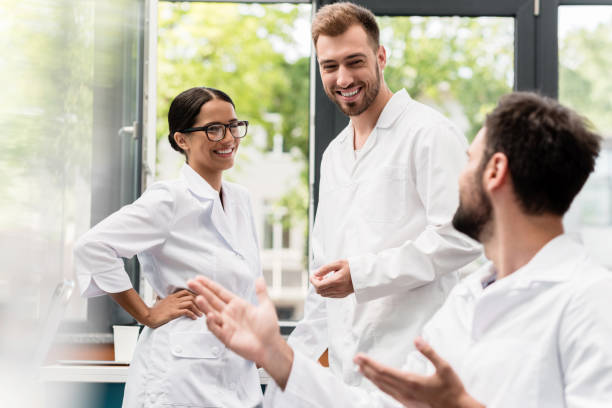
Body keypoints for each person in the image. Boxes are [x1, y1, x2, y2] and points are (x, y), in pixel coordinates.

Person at [187, 92, 612, 407]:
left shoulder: (593, 301)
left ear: (495, 171)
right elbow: (386, 405)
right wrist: (278, 357)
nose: (460, 173)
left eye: (468, 159)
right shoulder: (467, 301)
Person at [276, 2, 481, 401]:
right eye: (329, 66)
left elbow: (463, 238)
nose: (343, 77)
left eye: (355, 61)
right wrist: (286, 363)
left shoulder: (429, 134)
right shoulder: (334, 154)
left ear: (381, 57)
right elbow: (325, 272)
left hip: (416, 367)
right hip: (346, 377)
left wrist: (363, 275)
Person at [74, 87, 263, 408]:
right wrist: (145, 313)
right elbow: (93, 247)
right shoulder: (170, 199)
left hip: (235, 373)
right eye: (214, 129)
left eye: (233, 126)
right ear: (182, 140)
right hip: (179, 376)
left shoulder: (240, 200)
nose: (229, 138)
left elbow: (248, 283)